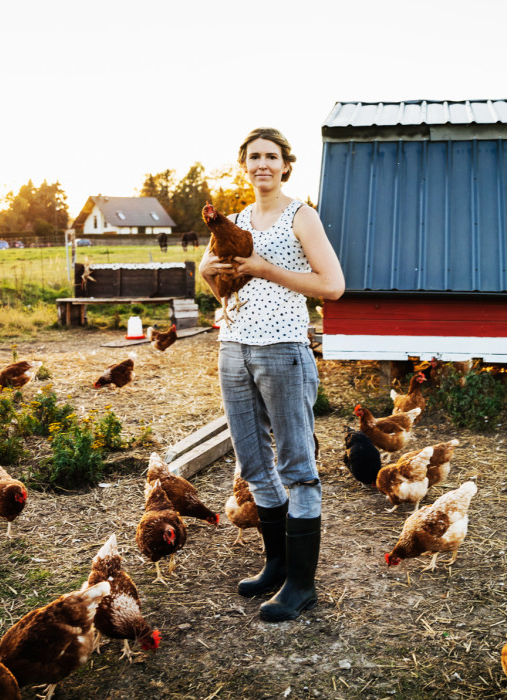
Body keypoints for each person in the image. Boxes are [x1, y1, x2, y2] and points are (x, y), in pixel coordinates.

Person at [199, 127, 345, 622]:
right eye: (254, 156)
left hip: (283, 348)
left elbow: (333, 285)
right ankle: (277, 565)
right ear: (244, 164)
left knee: (298, 467)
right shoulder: (235, 218)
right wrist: (217, 270)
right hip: (233, 347)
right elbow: (205, 271)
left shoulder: (301, 216)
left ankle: (302, 585)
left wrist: (263, 268)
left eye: (272, 156)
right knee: (255, 465)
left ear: (286, 164)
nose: (263, 164)